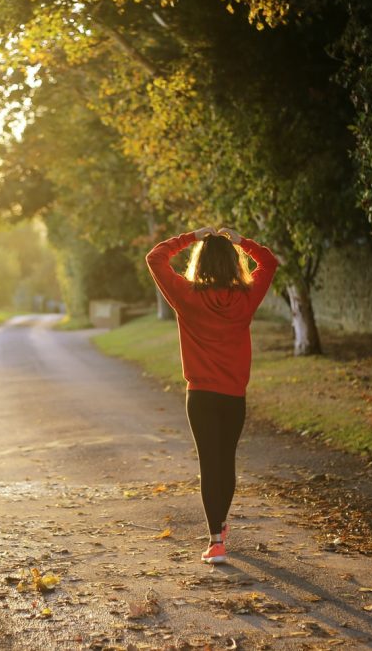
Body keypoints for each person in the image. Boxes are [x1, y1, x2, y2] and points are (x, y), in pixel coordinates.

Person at [146, 226, 279, 564]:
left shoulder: (186, 296)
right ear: (233, 264)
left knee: (210, 463)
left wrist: (191, 236)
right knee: (226, 460)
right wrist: (241, 242)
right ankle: (220, 527)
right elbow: (269, 262)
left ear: (200, 263)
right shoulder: (246, 298)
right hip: (233, 396)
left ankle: (216, 540)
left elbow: (155, 257)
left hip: (201, 396)